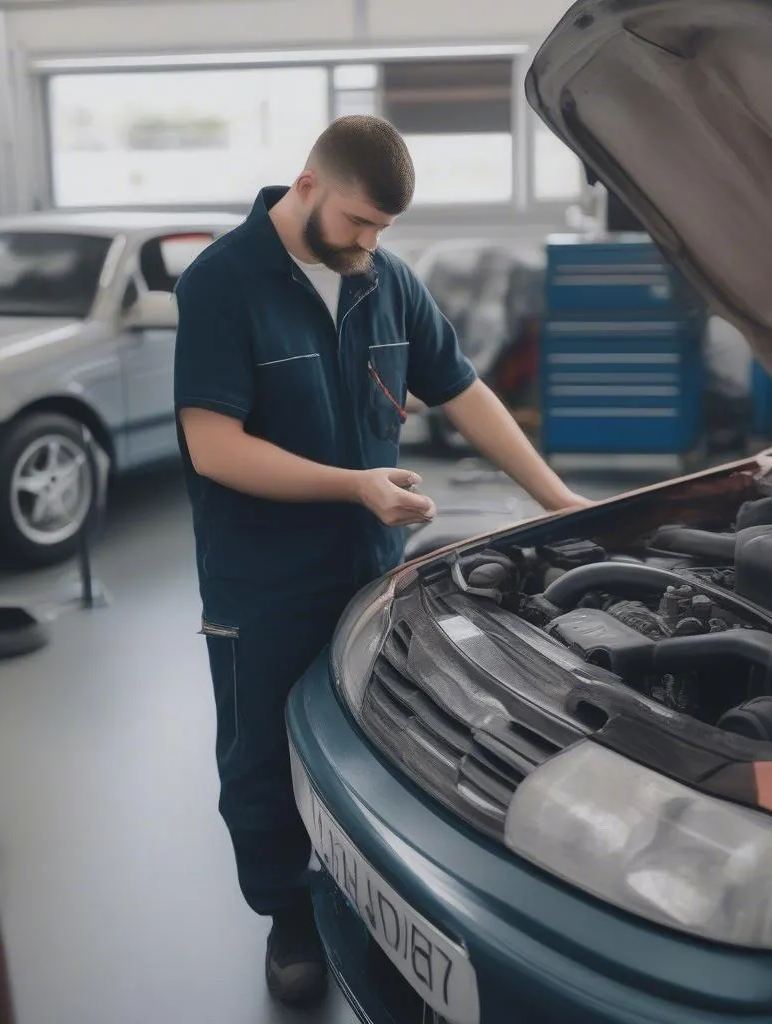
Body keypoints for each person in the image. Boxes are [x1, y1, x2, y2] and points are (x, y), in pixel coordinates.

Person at [172, 115, 591, 1008]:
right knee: (259, 754)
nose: (370, 243)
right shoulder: (222, 282)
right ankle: (287, 913)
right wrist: (355, 484)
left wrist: (555, 497)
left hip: (370, 566)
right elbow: (213, 447)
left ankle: (370, 889)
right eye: (360, 222)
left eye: (385, 231)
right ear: (310, 183)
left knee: (378, 733)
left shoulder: (385, 280)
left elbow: (464, 390)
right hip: (262, 577)